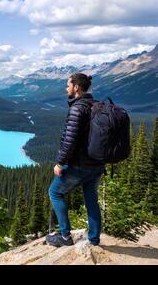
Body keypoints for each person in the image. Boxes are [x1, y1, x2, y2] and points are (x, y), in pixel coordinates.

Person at [46, 73, 105, 247]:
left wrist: (59, 163)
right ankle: (94, 240)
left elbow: (69, 140)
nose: (66, 88)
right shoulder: (97, 105)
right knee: (91, 200)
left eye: (68, 85)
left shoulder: (77, 108)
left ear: (76, 87)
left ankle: (65, 236)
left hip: (80, 165)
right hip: (97, 164)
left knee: (55, 192)